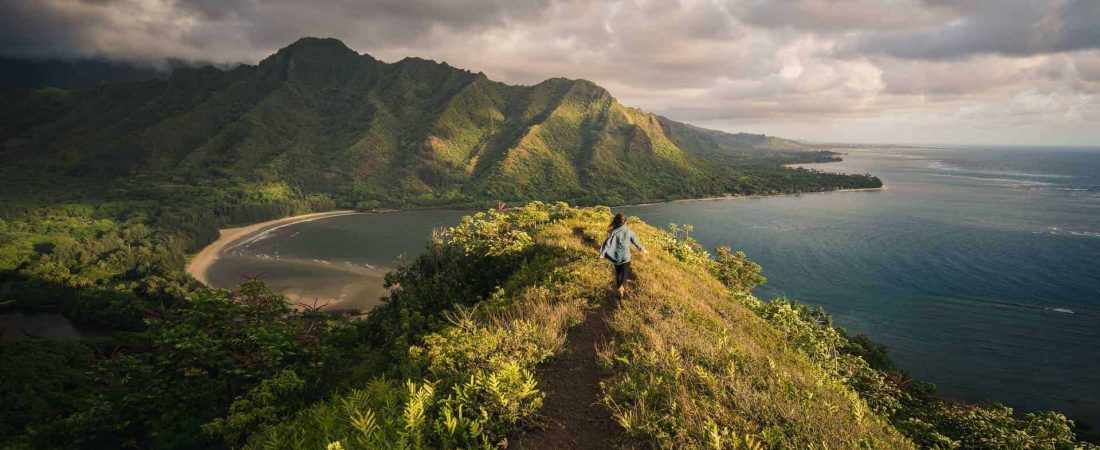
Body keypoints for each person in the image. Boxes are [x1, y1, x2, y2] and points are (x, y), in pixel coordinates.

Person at [600, 213, 646, 298]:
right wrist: (643, 250)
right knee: (625, 274)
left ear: (616, 222)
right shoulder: (630, 232)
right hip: (625, 256)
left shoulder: (612, 232)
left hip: (615, 257)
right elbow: (636, 243)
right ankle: (622, 288)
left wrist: (602, 254)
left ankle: (618, 293)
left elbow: (607, 244)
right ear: (626, 222)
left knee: (618, 273)